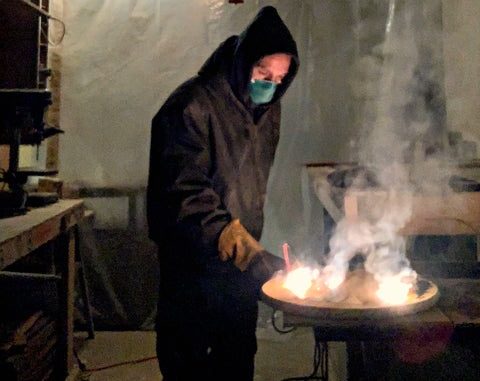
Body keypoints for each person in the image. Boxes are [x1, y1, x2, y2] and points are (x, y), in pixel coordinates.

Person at [147, 6, 299, 380]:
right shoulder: (191, 105)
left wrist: (250, 249)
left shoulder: (266, 109)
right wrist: (231, 236)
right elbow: (183, 192)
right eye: (263, 74)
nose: (271, 84)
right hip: (192, 269)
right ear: (242, 62)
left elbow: (246, 185)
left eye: (280, 78)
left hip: (237, 273)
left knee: (236, 359)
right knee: (190, 363)